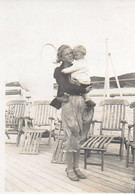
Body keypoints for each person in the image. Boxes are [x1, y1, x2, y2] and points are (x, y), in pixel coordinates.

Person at [51, 45, 94, 181]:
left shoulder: (78, 68)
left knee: (79, 135)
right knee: (70, 135)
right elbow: (66, 87)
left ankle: (76, 167)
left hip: (80, 103)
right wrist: (83, 89)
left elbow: (86, 84)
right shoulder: (59, 71)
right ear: (61, 57)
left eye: (71, 53)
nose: (70, 55)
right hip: (68, 104)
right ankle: (69, 168)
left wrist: (83, 88)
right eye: (67, 54)